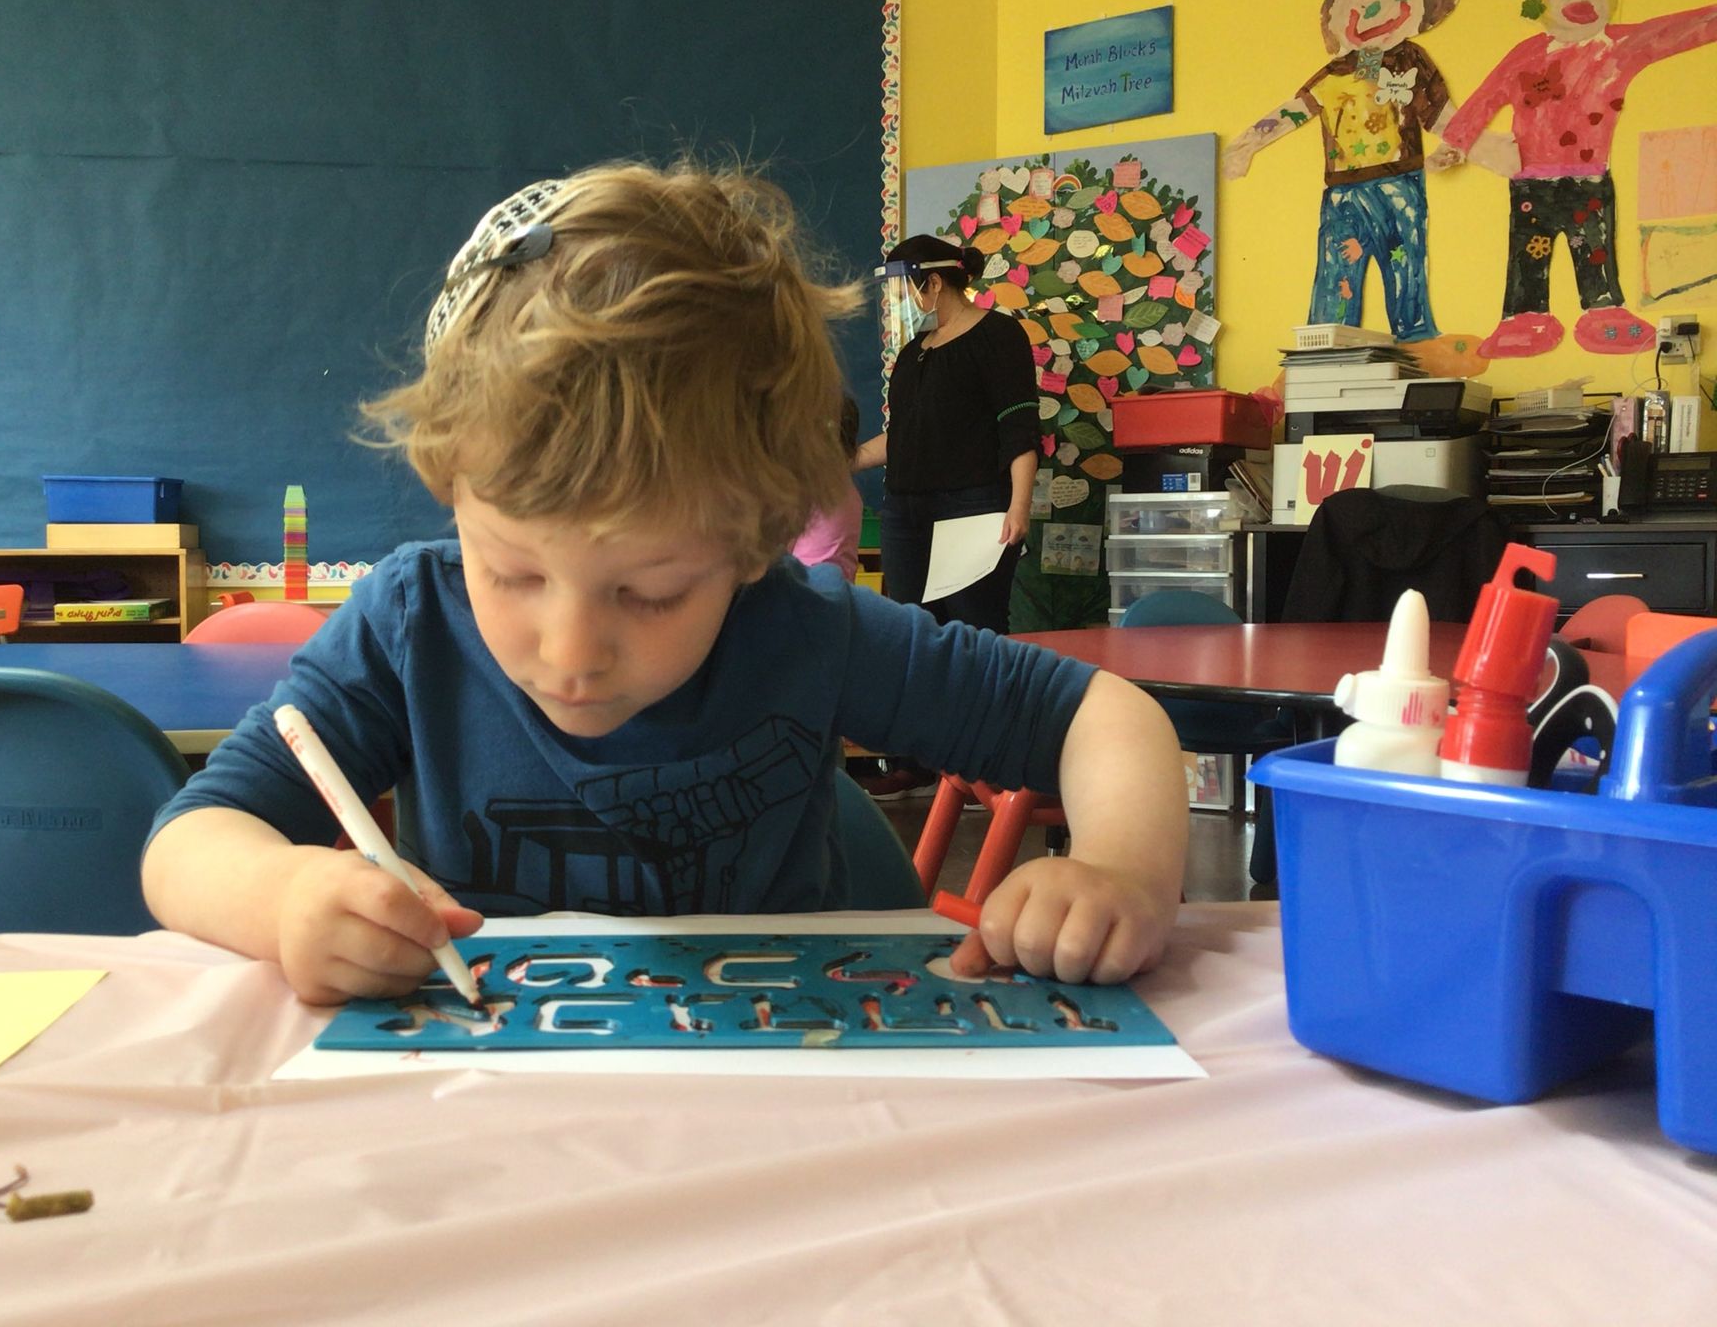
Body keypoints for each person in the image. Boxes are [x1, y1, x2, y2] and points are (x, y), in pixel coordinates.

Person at [141, 161, 1186, 1007]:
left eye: (648, 593)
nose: (569, 650)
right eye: (510, 571)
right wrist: (285, 898)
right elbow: (187, 843)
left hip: (783, 1096)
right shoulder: (407, 627)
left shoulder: (802, 628)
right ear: (450, 488)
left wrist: (1121, 875)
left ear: (753, 544)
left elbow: (1106, 715)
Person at [1221, 0, 1496, 378]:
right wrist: (1247, 144)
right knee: (1335, 268)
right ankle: (1323, 345)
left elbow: (1442, 114)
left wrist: (1471, 146)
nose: (1376, 14)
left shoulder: (1411, 60)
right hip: (1343, 192)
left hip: (1400, 184)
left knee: (1404, 259)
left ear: (1425, 7)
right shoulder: (1335, 72)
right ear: (1334, 13)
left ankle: (1415, 337)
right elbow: (1296, 110)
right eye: (1360, 4)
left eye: (1399, 0)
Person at [1436, 0, 1717, 359]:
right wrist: (1456, 143)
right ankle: (1523, 317)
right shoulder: (1526, 54)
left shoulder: (1620, 46)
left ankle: (1604, 312)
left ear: (1611, 0)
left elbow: (1673, 31)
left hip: (1589, 179)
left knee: (1596, 254)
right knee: (1527, 256)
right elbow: (1486, 97)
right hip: (1531, 182)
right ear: (1543, 9)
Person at [848, 234, 1038, 800]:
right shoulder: (915, 352)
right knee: (912, 633)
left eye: (905, 285)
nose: (903, 299)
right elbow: (904, 437)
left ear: (932, 281)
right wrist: (843, 460)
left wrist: (1019, 506)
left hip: (975, 509)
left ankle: (987, 761)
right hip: (907, 508)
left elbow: (1019, 428)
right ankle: (916, 761)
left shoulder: (999, 335)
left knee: (974, 633)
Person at [789, 394, 863, 583]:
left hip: (805, 592)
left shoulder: (806, 489)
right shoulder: (847, 490)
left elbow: (779, 554)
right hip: (839, 593)